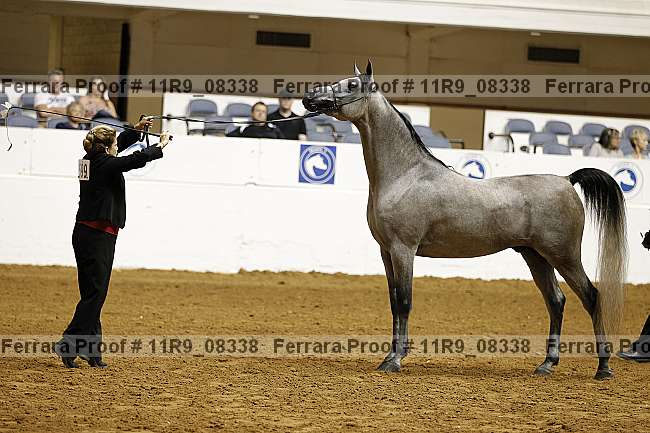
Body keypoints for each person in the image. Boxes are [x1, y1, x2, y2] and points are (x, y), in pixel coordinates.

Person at [54, 120, 171, 368]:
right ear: (106, 148)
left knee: (92, 294)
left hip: (88, 234)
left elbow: (117, 150)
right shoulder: (103, 164)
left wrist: (136, 130)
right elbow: (133, 160)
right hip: (97, 236)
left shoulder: (90, 160)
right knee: (96, 294)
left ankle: (91, 351)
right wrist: (160, 146)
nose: (118, 147)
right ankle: (69, 343)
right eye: (115, 144)